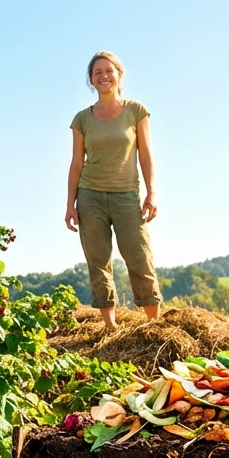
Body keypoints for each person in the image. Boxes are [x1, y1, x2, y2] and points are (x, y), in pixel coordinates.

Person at [64, 51, 161, 330]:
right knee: (98, 260)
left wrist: (152, 193)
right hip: (90, 196)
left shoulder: (135, 111)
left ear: (119, 75)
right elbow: (75, 164)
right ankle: (110, 326)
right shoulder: (82, 119)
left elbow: (146, 156)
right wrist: (70, 204)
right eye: (97, 73)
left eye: (109, 71)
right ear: (91, 81)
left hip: (126, 195)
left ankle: (153, 325)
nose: (103, 76)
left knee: (139, 256)